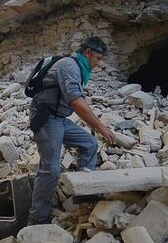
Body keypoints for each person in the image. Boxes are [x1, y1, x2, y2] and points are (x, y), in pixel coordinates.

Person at [28, 36, 116, 225]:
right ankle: (37, 220)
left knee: (90, 144)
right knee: (50, 170)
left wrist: (96, 128)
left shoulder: (79, 68)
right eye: (98, 58)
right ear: (87, 53)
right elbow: (75, 101)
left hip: (59, 118)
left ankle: (83, 194)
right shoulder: (69, 66)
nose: (99, 64)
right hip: (46, 119)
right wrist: (99, 126)